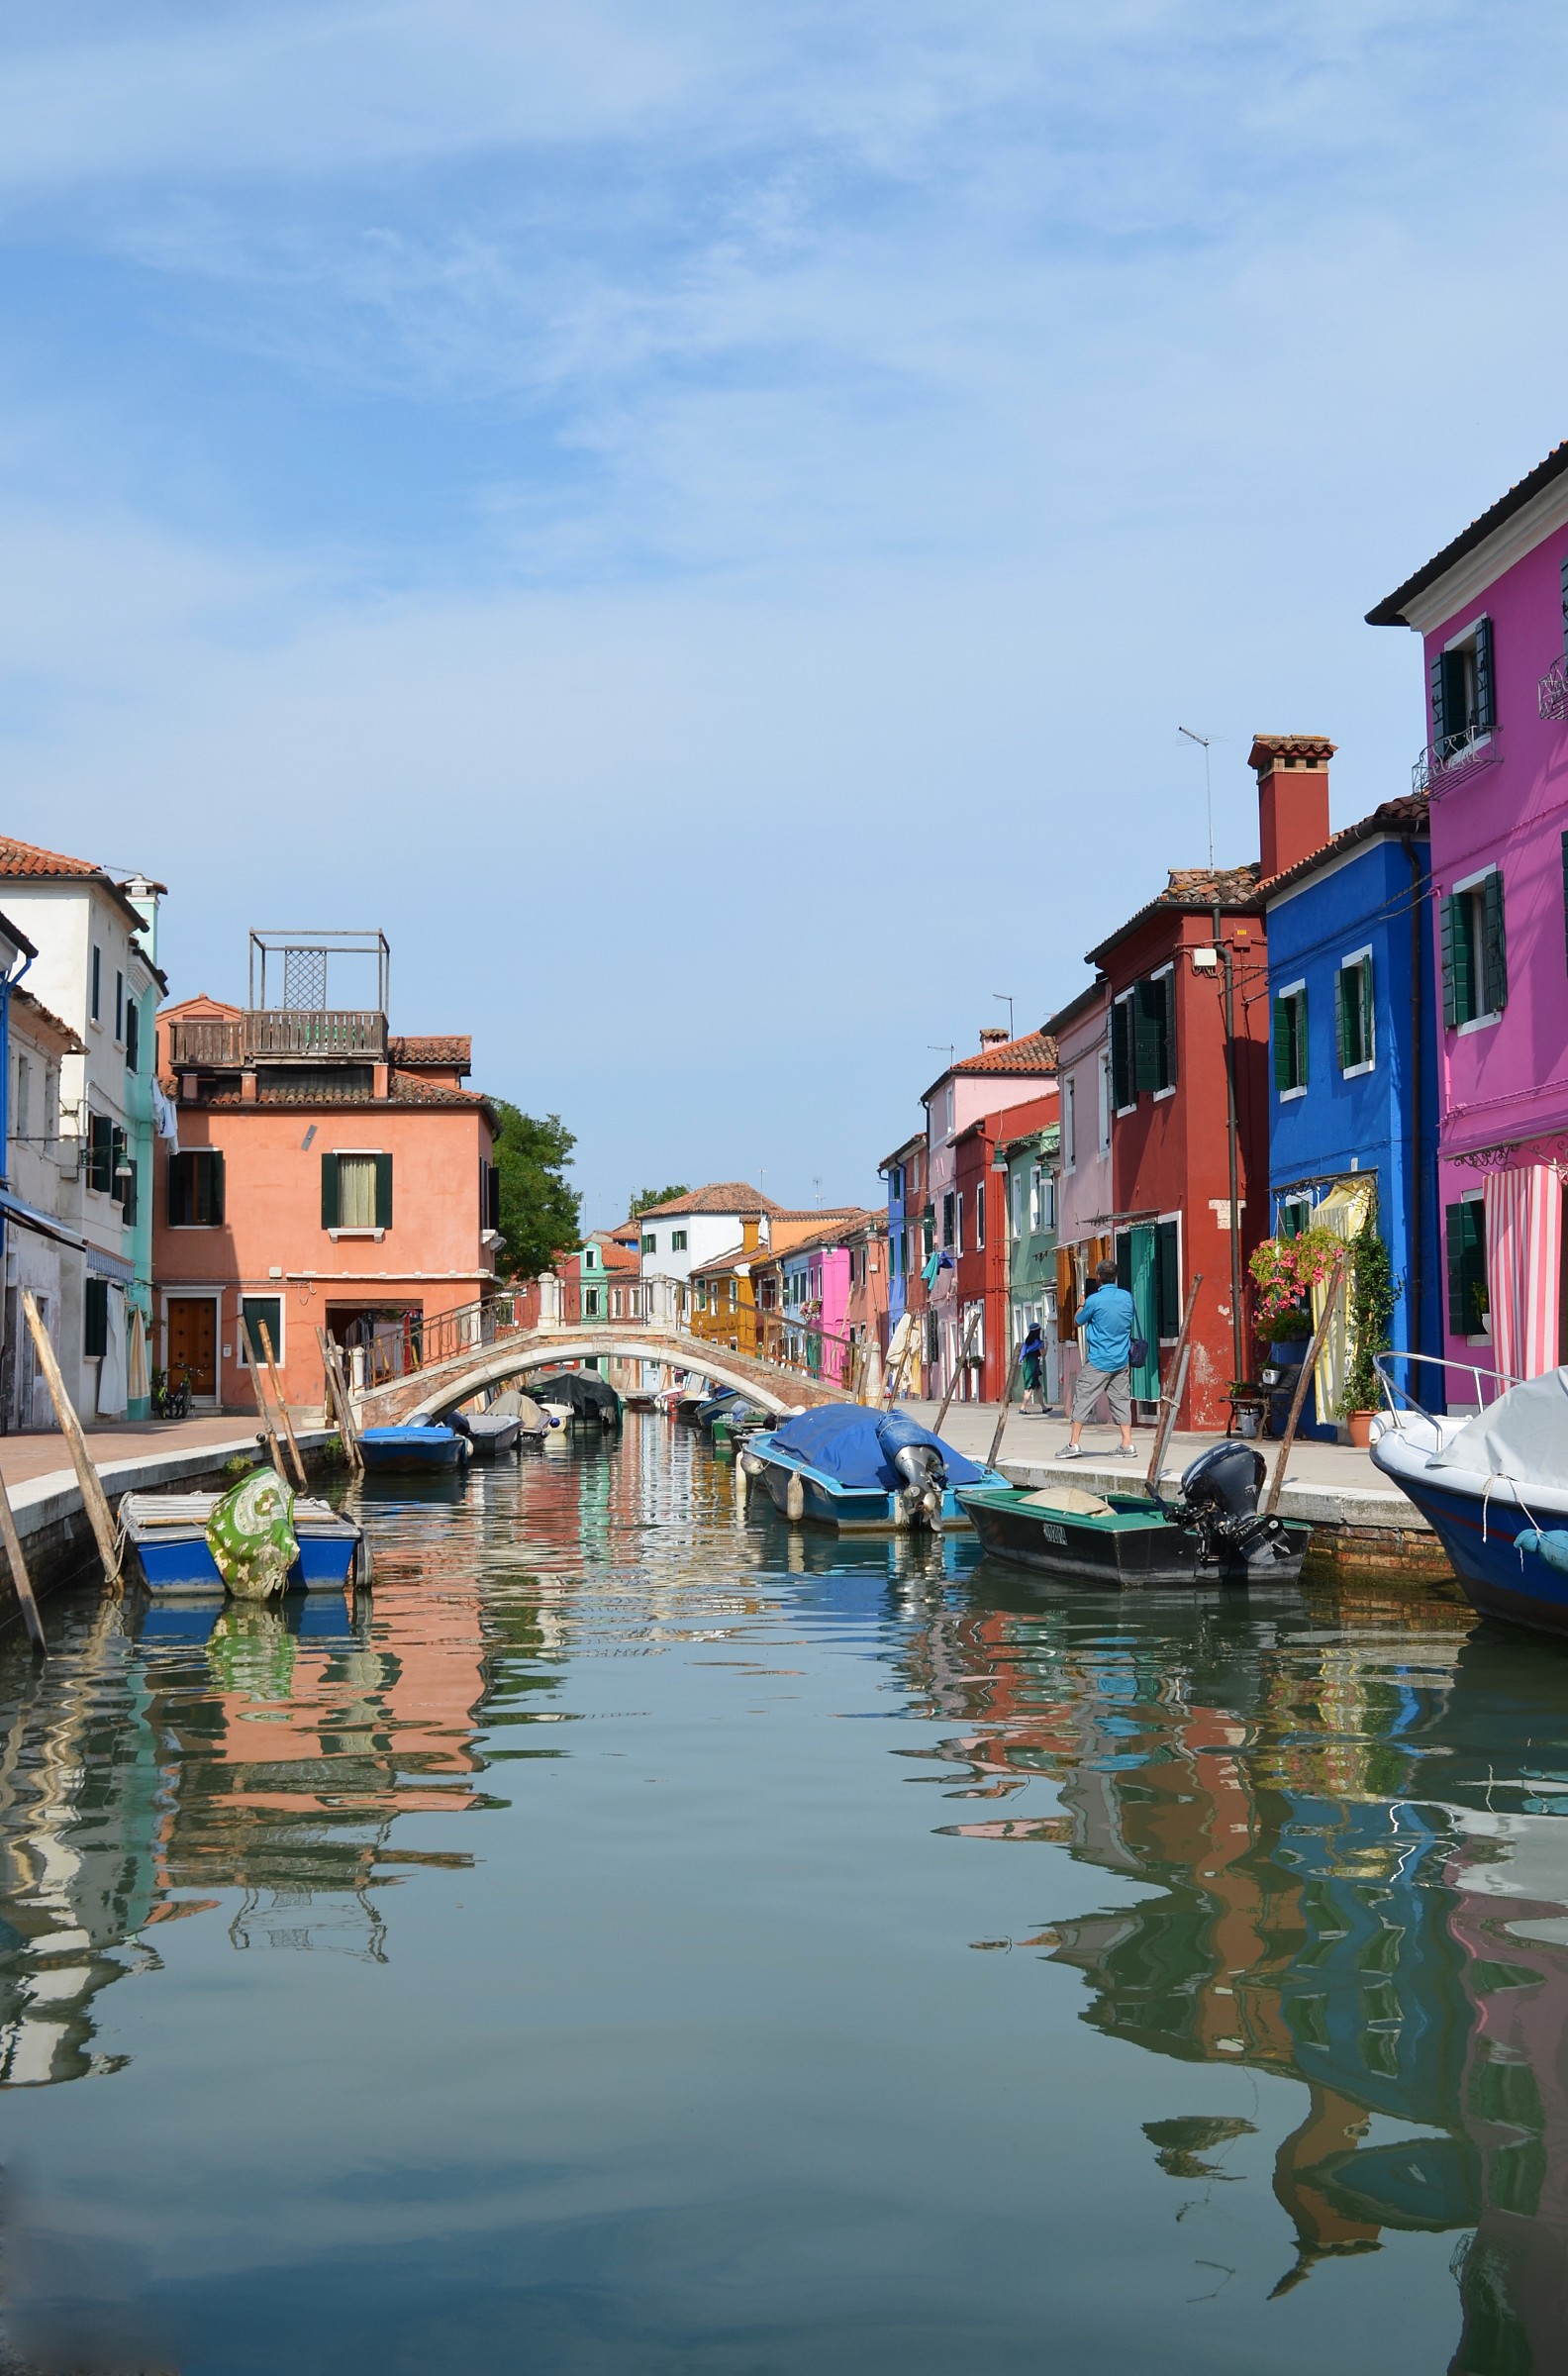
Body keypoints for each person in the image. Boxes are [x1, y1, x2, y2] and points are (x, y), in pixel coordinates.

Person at [1061, 1258, 1137, 1459]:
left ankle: (1073, 1443)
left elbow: (1078, 1321)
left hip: (1099, 1359)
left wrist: (1081, 1303)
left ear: (1098, 1277)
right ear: (1115, 1276)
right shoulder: (1127, 1297)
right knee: (1121, 1400)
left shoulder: (1094, 1300)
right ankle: (1127, 1443)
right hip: (1121, 1359)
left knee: (1083, 1398)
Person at [1019, 1320, 1045, 1414]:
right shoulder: (1038, 1342)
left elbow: (1023, 1353)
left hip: (1026, 1364)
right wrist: (1047, 1346)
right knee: (1030, 1387)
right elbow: (1043, 1354)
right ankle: (1022, 1408)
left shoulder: (1027, 1342)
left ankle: (1044, 1407)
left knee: (1038, 1387)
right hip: (1033, 1366)